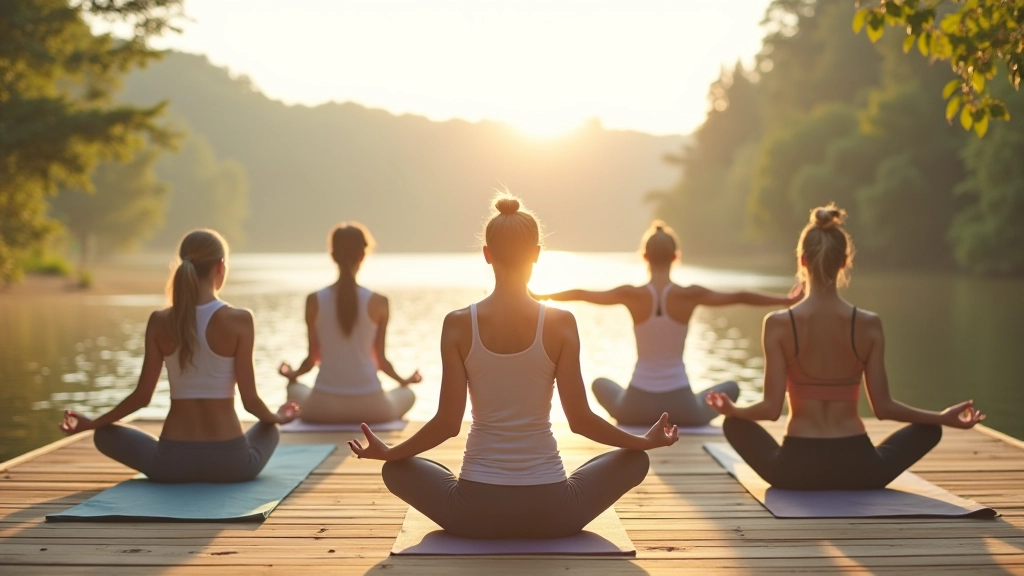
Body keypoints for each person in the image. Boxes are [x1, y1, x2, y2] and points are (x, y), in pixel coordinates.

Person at [348, 195, 678, 539]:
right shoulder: (562, 323)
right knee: (635, 460)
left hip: (473, 512)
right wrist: (642, 442)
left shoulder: (458, 324)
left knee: (396, 470)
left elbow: (447, 424)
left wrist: (390, 452)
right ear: (536, 254)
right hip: (553, 512)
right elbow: (580, 421)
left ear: (487, 255)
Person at [706, 205, 985, 490]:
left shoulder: (778, 324)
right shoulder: (868, 324)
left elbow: (770, 409)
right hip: (861, 468)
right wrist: (941, 417)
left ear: (802, 261)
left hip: (793, 470)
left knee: (733, 425)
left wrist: (734, 410)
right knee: (930, 430)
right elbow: (884, 408)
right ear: (844, 262)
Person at [58, 229, 299, 483]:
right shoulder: (240, 320)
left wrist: (93, 423)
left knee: (104, 435)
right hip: (232, 465)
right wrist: (280, 417)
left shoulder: (159, 321)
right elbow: (250, 402)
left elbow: (142, 397)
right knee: (269, 428)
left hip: (171, 465)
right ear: (220, 267)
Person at [533, 221, 801, 427]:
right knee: (733, 387)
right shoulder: (689, 294)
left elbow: (582, 293)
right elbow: (740, 296)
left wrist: (540, 295)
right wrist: (785, 300)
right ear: (676, 257)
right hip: (682, 409)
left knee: (600, 383)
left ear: (645, 257)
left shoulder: (632, 294)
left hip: (634, 408)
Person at [279, 222, 421, 423]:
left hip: (322, 408)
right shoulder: (380, 302)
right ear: (363, 256)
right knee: (408, 394)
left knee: (293, 388)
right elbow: (381, 360)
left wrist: (291, 374)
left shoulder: (314, 300)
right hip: (373, 409)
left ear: (332, 255)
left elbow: (312, 359)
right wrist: (403, 381)